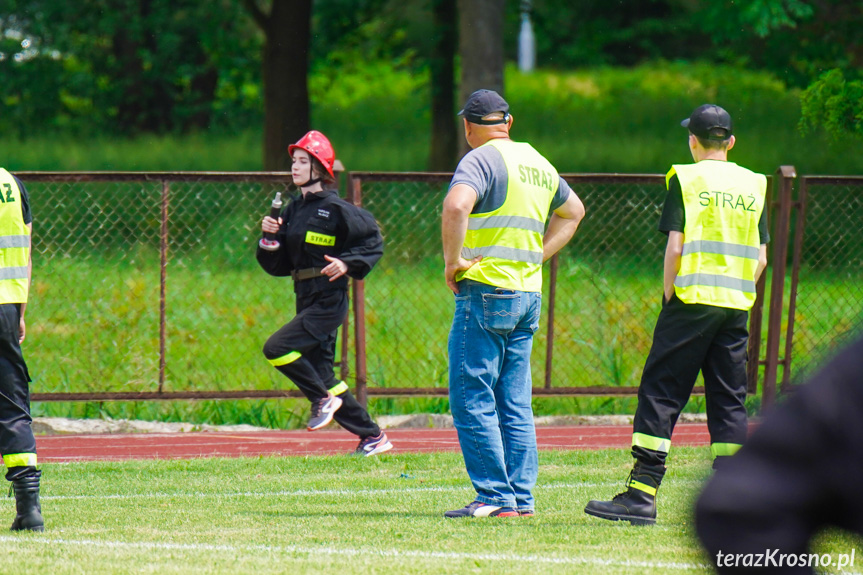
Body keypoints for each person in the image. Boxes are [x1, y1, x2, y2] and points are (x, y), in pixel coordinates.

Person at [584, 104, 769, 525]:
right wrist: (740, 290)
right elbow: (761, 258)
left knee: (662, 392)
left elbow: (676, 247)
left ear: (693, 141)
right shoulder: (754, 184)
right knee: (729, 400)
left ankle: (641, 494)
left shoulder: (687, 178)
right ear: (732, 143)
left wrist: (671, 294)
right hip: (736, 305)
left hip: (691, 301)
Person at [441, 89, 585, 518]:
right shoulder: (538, 161)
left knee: (471, 395)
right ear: (509, 121)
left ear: (468, 125)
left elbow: (455, 206)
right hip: (527, 294)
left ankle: (494, 497)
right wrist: (537, 254)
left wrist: (454, 261)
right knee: (514, 400)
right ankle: (521, 498)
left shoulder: (479, 158)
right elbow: (574, 211)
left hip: (486, 289)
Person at [257, 130, 392, 457]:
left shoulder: (338, 209)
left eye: (303, 161)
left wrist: (346, 264)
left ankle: (321, 400)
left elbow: (373, 243)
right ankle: (373, 437)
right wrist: (269, 240)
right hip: (304, 295)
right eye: (294, 161)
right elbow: (278, 265)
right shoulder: (291, 210)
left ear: (319, 168)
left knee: (276, 347)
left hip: (329, 300)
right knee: (322, 374)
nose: (295, 167)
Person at [695, 334, 863, 574]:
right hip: (734, 310)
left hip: (695, 307)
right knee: (728, 394)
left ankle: (644, 488)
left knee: (670, 389)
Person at [0, 168, 42, 531]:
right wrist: (20, 313)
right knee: (11, 406)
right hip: (6, 308)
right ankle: (29, 510)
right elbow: (24, 252)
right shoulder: (11, 184)